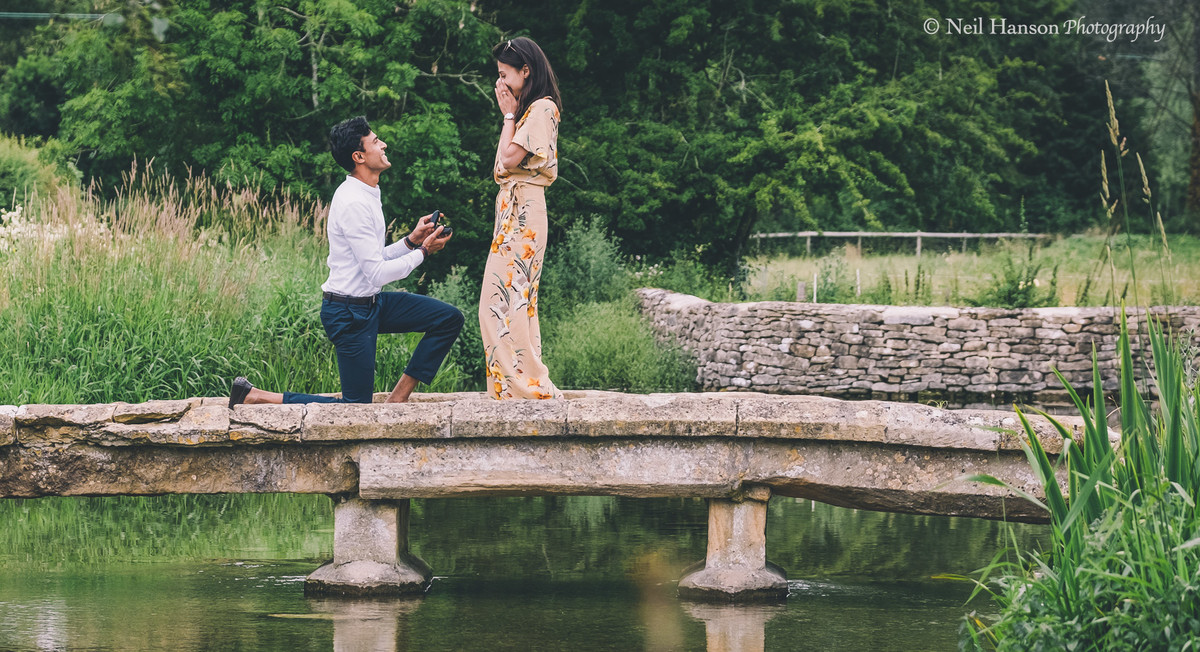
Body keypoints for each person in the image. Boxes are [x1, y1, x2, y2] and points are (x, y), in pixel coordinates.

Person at [229, 116, 463, 407]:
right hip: (347, 313)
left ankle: (398, 398)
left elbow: (372, 259)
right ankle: (256, 396)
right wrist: (424, 252)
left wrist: (412, 241)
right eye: (376, 142)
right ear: (359, 156)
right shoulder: (353, 202)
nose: (384, 144)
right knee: (356, 407)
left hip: (371, 304)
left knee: (448, 318)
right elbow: (377, 273)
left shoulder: (368, 192)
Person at [480, 37, 563, 400]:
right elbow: (501, 163)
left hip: (526, 210)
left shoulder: (542, 108)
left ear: (525, 71)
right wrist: (511, 117)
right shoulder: (527, 112)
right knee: (509, 301)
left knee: (505, 301)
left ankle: (527, 385)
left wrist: (508, 115)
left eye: (504, 74)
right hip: (512, 212)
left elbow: (509, 160)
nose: (499, 83)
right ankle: (513, 387)